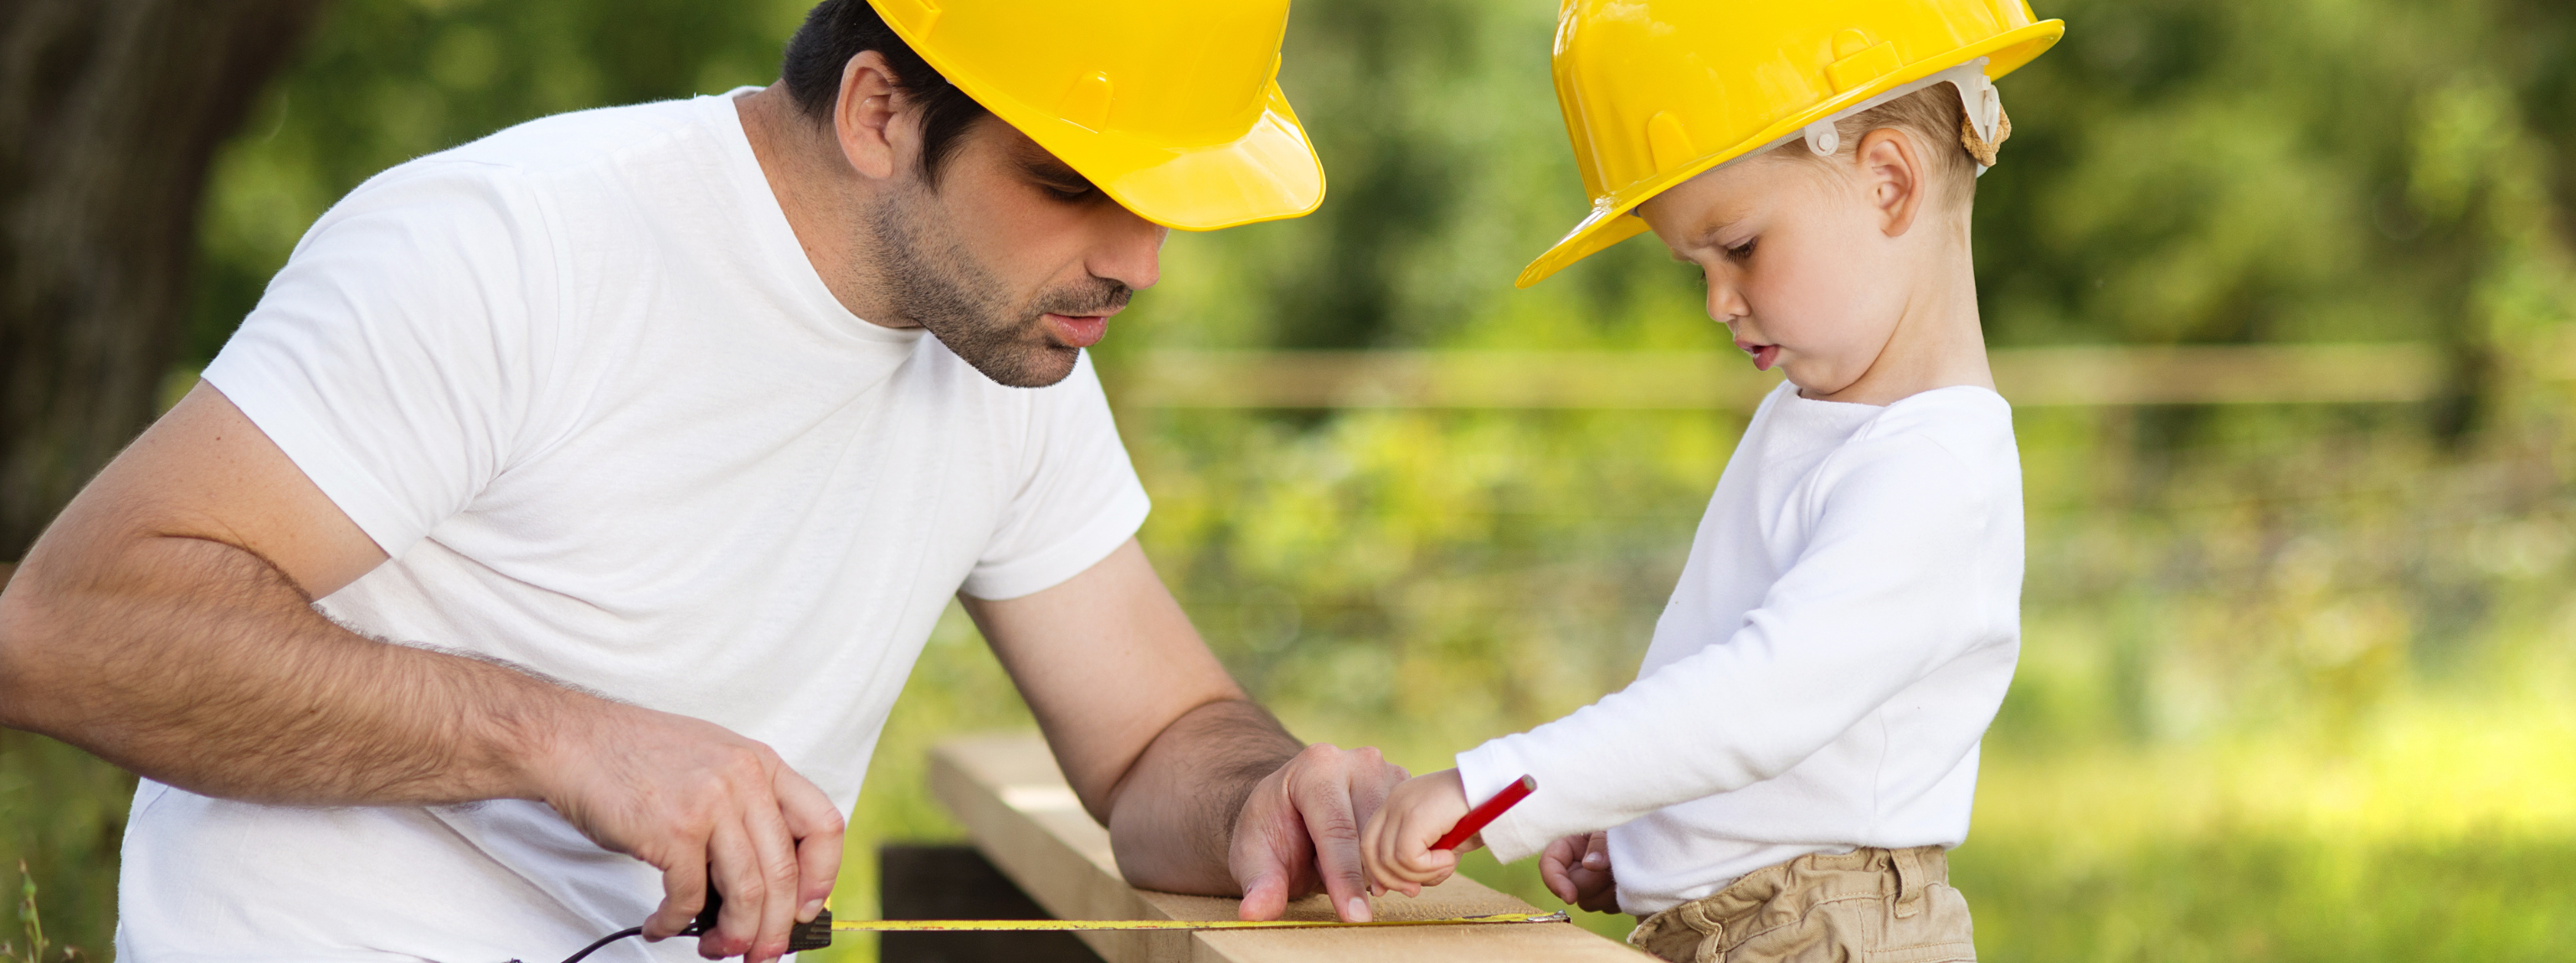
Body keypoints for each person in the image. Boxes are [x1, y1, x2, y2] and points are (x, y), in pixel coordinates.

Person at [0, 2, 1408, 961]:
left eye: (1166, 202)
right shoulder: (507, 247)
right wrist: (565, 740)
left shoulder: (1007, 345)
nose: (1141, 262)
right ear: (880, 111)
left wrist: (1265, 802)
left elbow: (1162, 736)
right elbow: (62, 632)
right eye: (1073, 185)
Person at [1358, 3, 2066, 961]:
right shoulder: (1813, 420)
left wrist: (1504, 786)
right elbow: (1741, 698)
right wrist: (1659, 834)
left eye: (1737, 247)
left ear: (1889, 183)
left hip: (1825, 933)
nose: (1717, 301)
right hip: (1763, 920)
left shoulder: (1930, 469)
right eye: (1695, 264)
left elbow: (1760, 699)